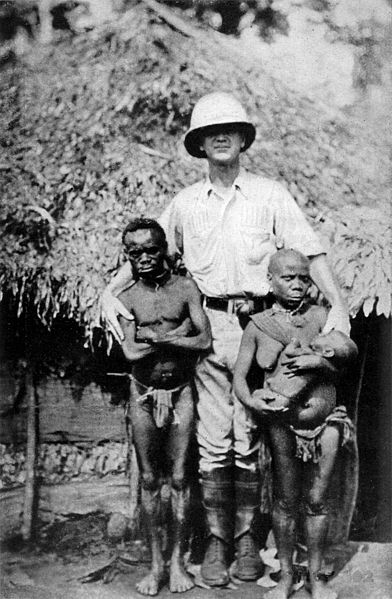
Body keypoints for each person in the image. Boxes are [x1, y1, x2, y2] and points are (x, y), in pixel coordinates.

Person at [101, 92, 350, 587]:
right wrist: (110, 294)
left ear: (242, 139)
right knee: (215, 437)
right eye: (210, 132)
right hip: (211, 328)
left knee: (258, 431)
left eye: (230, 130)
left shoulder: (271, 194)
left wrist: (338, 307)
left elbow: (312, 254)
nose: (220, 137)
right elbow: (145, 253)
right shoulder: (186, 203)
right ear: (197, 144)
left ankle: (251, 542)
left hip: (263, 328)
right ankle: (218, 540)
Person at [233, 249, 357, 599]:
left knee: (317, 499)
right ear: (269, 281)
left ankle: (316, 577)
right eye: (289, 277)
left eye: (304, 277)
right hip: (281, 423)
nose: (298, 284)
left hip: (325, 421)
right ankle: (286, 577)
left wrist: (319, 363)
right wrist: (251, 399)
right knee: (285, 501)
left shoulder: (324, 317)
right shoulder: (258, 326)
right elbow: (241, 378)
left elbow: (344, 365)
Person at [117, 217, 212, 596]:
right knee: (149, 479)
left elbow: (204, 339)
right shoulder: (126, 297)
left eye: (151, 249)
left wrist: (156, 337)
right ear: (128, 255)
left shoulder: (186, 288)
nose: (143, 257)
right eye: (134, 252)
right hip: (142, 393)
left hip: (181, 392)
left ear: (165, 251)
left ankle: (177, 564)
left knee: (178, 478)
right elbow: (130, 350)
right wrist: (176, 337)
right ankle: (156, 566)